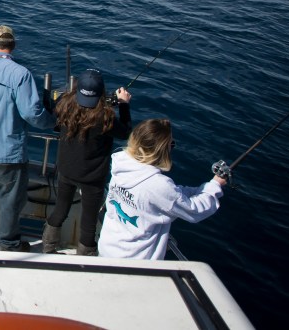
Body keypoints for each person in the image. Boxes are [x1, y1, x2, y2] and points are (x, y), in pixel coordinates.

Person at [0, 25, 55, 251]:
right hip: (9, 153)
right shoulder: (20, 74)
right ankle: (8, 243)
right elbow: (31, 113)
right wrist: (53, 122)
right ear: (12, 46)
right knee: (10, 202)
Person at [98, 118, 226, 260]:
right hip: (134, 260)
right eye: (171, 144)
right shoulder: (159, 185)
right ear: (161, 150)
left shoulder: (120, 163)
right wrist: (215, 185)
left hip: (108, 247)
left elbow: (170, 194)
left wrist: (199, 190)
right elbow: (194, 211)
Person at [42, 69, 132, 256]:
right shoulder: (106, 117)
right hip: (92, 177)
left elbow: (56, 111)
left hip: (66, 170)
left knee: (60, 209)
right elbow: (126, 133)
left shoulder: (64, 105)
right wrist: (123, 104)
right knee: (89, 220)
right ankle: (85, 255)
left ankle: (48, 246)